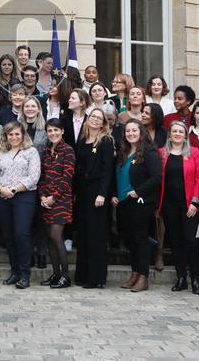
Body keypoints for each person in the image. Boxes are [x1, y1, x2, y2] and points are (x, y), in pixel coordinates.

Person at [112, 119, 162, 293]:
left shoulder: (149, 152)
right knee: (131, 240)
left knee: (141, 240)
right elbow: (118, 176)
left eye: (134, 130)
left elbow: (156, 178)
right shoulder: (123, 152)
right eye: (128, 131)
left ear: (141, 132)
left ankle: (143, 276)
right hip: (123, 202)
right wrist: (114, 195)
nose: (131, 134)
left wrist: (138, 192)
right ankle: (134, 273)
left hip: (139, 202)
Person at [0, 122, 41, 290]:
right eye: (10, 134)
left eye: (17, 134)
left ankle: (25, 274)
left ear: (23, 135)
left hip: (24, 196)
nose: (14, 137)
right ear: (5, 136)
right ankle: (15, 272)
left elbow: (34, 176)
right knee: (9, 235)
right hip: (3, 197)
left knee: (21, 234)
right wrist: (1, 189)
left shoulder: (31, 152)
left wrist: (13, 189)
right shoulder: (1, 153)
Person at [160, 120, 199, 295]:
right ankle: (181, 278)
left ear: (185, 135)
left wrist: (195, 202)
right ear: (169, 134)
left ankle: (195, 278)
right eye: (174, 131)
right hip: (169, 205)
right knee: (176, 243)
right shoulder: (162, 153)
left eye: (181, 131)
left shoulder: (193, 152)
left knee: (191, 242)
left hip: (189, 205)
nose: (177, 134)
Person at [74, 106, 115, 288]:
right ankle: (83, 274)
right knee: (83, 233)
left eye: (100, 118)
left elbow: (107, 171)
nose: (96, 120)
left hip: (97, 193)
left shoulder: (105, 141)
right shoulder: (82, 140)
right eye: (93, 117)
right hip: (83, 192)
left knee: (96, 235)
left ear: (104, 123)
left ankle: (96, 277)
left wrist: (102, 194)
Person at [39, 118, 75, 288]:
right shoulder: (46, 152)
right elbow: (42, 177)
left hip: (61, 200)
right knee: (50, 239)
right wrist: (43, 197)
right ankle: (56, 274)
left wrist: (53, 197)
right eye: (50, 130)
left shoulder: (68, 151)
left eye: (56, 130)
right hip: (46, 201)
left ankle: (66, 276)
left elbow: (67, 178)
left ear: (62, 131)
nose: (53, 133)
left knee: (56, 236)